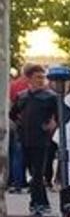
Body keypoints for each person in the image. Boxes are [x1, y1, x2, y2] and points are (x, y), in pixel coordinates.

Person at [8, 65, 70, 217]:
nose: (41, 81)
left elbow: (66, 113)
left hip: (42, 141)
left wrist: (54, 123)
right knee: (32, 174)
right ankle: (39, 202)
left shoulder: (50, 97)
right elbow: (13, 113)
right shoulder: (22, 96)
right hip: (25, 139)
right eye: (37, 77)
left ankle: (39, 204)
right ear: (29, 79)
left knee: (37, 174)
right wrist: (19, 125)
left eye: (43, 77)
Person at [6, 63, 37, 193]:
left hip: (18, 124)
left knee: (17, 154)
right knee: (35, 156)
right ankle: (34, 182)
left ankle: (17, 182)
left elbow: (12, 104)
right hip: (34, 124)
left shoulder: (13, 85)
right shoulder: (35, 85)